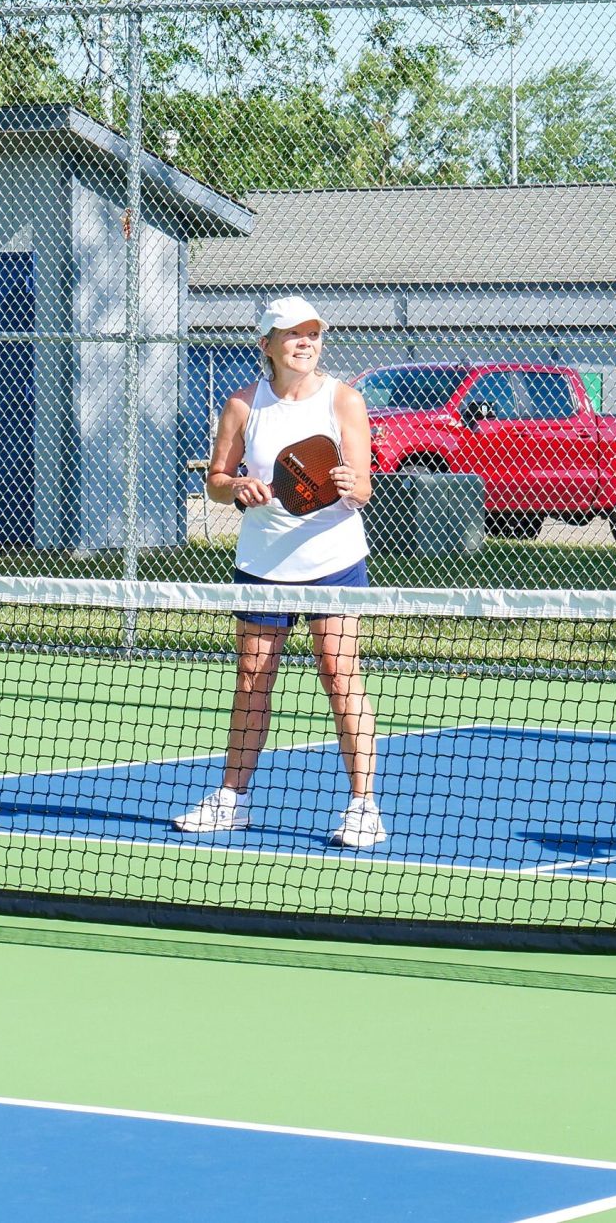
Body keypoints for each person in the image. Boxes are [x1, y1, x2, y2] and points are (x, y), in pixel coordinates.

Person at [172, 295, 386, 848]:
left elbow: (363, 485)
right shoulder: (243, 405)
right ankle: (232, 800)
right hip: (264, 564)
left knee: (340, 677)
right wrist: (239, 487)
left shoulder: (345, 400)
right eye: (293, 334)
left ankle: (363, 806)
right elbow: (216, 480)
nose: (306, 342)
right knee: (251, 681)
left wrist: (351, 487)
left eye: (313, 333)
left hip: (333, 563)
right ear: (267, 343)